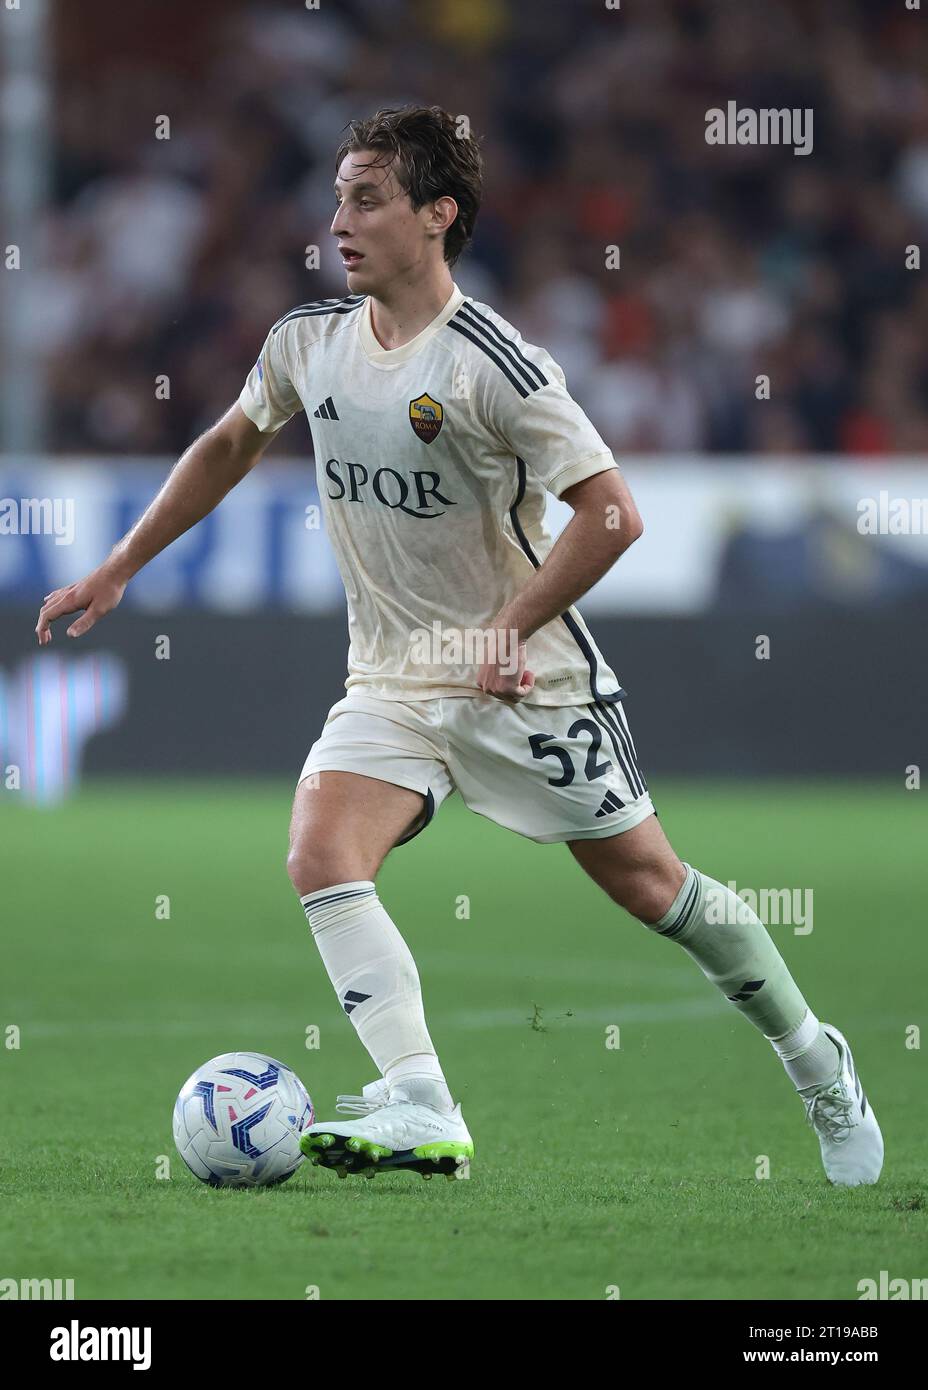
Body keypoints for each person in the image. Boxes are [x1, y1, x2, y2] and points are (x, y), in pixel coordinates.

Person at [35, 105, 882, 1187]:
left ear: (436, 216)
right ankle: (424, 1102)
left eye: (368, 198)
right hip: (390, 675)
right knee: (320, 852)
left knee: (651, 886)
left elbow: (614, 513)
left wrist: (508, 625)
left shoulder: (497, 364)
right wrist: (119, 567)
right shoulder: (308, 340)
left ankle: (815, 1059)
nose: (338, 219)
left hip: (529, 684)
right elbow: (229, 443)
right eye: (338, 195)